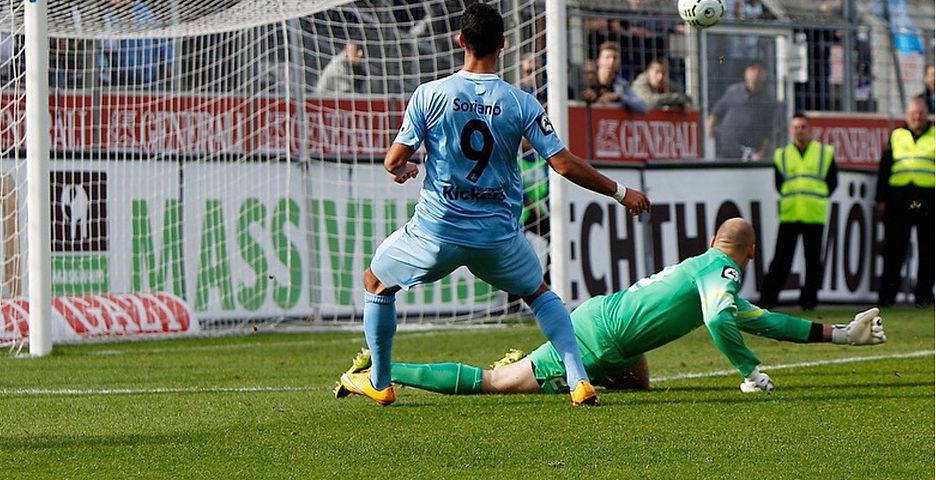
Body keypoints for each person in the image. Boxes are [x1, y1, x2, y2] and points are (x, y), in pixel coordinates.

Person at [333, 3, 652, 407]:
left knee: (376, 283)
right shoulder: (521, 102)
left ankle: (380, 381)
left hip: (437, 233)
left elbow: (394, 160)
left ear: (460, 40)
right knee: (539, 294)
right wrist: (621, 192)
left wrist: (404, 169)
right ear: (503, 44)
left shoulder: (430, 94)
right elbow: (563, 164)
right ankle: (578, 380)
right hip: (497, 237)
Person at [337, 218, 886, 399]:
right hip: (599, 338)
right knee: (496, 383)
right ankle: (379, 371)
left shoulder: (707, 269)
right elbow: (719, 320)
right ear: (751, 251)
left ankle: (543, 359)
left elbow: (764, 321)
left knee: (639, 385)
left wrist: (842, 334)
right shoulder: (723, 272)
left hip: (608, 326)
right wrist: (748, 371)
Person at [758, 113, 838, 310]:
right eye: (796, 127)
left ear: (810, 130)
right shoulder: (782, 155)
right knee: (781, 260)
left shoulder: (824, 153)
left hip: (813, 214)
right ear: (790, 131)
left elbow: (832, 182)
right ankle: (768, 300)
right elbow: (779, 183)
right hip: (790, 214)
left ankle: (809, 301)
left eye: (803, 127)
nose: (799, 131)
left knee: (812, 261)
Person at [875, 97, 934, 308]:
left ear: (927, 114)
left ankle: (924, 295)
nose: (917, 117)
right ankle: (887, 296)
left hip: (928, 200)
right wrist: (880, 199)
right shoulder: (897, 136)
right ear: (907, 116)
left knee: (928, 250)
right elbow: (884, 169)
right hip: (899, 200)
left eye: (920, 113)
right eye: (913, 113)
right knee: (894, 250)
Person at [706, 62, 778, 160]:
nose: (755, 73)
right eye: (752, 69)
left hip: (748, 155)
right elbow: (715, 114)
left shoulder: (767, 101)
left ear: (765, 75)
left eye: (759, 70)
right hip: (724, 151)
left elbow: (768, 132)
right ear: (746, 73)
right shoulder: (733, 91)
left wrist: (761, 153)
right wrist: (710, 137)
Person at [581, 41, 649, 113]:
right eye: (607, 57)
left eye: (615, 58)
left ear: (619, 62)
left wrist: (618, 97)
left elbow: (644, 108)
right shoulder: (587, 80)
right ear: (599, 61)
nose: (611, 61)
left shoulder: (621, 84)